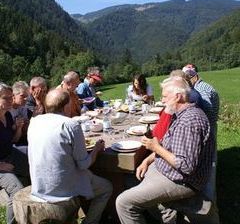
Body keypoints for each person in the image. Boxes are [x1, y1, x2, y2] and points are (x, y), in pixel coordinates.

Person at [116, 77, 214, 224]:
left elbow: (186, 166)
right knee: (131, 178)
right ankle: (169, 215)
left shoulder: (189, 122)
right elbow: (170, 147)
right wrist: (147, 159)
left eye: (165, 96)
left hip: (184, 181)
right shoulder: (181, 115)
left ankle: (168, 212)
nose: (162, 100)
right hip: (168, 170)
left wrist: (155, 148)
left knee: (123, 202)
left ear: (178, 96)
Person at [27, 89, 112, 224]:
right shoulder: (70, 124)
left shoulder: (34, 122)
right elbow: (84, 164)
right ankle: (90, 222)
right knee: (106, 187)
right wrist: (96, 149)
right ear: (66, 106)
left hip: (40, 184)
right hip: (62, 188)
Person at [182, 64, 219, 201]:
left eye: (186, 79)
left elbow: (207, 107)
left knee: (209, 161)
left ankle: (208, 200)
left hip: (208, 127)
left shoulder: (201, 89)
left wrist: (195, 119)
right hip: (210, 125)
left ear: (194, 77)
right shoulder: (202, 86)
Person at [0, 82, 29, 224]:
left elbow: (13, 140)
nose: (11, 100)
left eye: (11, 97)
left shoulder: (7, 115)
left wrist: (18, 128)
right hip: (0, 164)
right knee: (17, 191)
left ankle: (33, 212)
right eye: (6, 98)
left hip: (9, 154)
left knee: (35, 157)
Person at [10, 81, 31, 146]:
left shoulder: (23, 107)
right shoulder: (6, 110)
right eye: (22, 96)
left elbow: (25, 130)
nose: (26, 99)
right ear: (13, 95)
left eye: (27, 96)